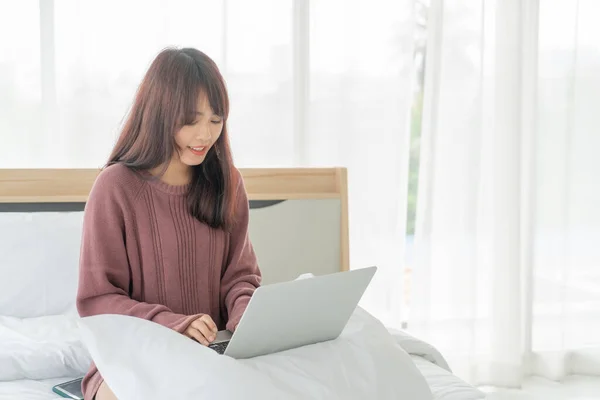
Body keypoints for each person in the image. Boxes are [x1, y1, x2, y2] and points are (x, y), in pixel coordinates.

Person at [76, 47, 262, 400]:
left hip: (212, 354)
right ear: (159, 114)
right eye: (190, 119)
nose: (205, 134)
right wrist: (173, 324)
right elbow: (98, 299)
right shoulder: (115, 187)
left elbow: (240, 277)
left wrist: (246, 319)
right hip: (130, 358)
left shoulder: (227, 181)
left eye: (215, 118)